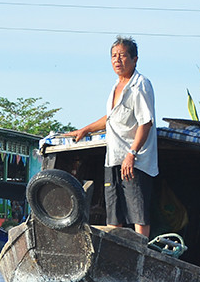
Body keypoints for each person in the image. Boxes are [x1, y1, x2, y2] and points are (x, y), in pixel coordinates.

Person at [66, 36, 158, 238]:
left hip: (136, 161)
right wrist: (86, 129)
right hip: (114, 158)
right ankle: (118, 256)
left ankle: (140, 254)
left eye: (123, 55)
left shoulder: (140, 85)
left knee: (138, 214)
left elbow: (146, 122)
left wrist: (131, 154)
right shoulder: (116, 86)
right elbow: (112, 117)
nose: (118, 60)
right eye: (114, 56)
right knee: (114, 214)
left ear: (134, 59)